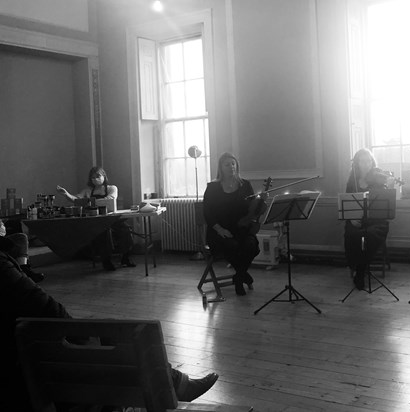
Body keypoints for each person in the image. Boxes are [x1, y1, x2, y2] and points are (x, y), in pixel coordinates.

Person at [0, 236, 219, 411]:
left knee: (107, 334)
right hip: (25, 378)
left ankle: (177, 383)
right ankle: (175, 386)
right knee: (117, 338)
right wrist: (84, 337)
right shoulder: (2, 267)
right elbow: (51, 312)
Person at [203, 153, 262, 296]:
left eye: (233, 164)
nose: (231, 167)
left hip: (241, 228)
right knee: (232, 246)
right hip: (218, 231)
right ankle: (242, 278)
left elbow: (252, 209)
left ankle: (239, 276)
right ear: (221, 168)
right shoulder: (212, 187)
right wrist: (220, 229)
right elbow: (207, 213)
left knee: (251, 245)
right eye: (227, 164)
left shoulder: (245, 185)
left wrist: (260, 203)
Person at [57, 166, 135, 271]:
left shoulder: (112, 188)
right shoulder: (87, 191)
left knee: (126, 230)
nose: (95, 179)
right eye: (93, 177)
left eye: (98, 176)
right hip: (96, 221)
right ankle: (106, 261)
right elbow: (77, 199)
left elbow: (110, 199)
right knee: (104, 232)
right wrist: (66, 194)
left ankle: (125, 258)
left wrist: (89, 202)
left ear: (104, 176)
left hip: (112, 218)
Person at [344, 148, 392, 290]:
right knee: (352, 234)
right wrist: (351, 218)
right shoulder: (352, 181)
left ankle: (360, 271)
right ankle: (357, 267)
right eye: (362, 161)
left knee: (371, 234)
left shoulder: (378, 179)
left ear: (372, 162)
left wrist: (388, 186)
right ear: (356, 163)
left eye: (369, 161)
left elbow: (384, 202)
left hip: (376, 220)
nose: (366, 164)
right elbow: (348, 202)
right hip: (357, 219)